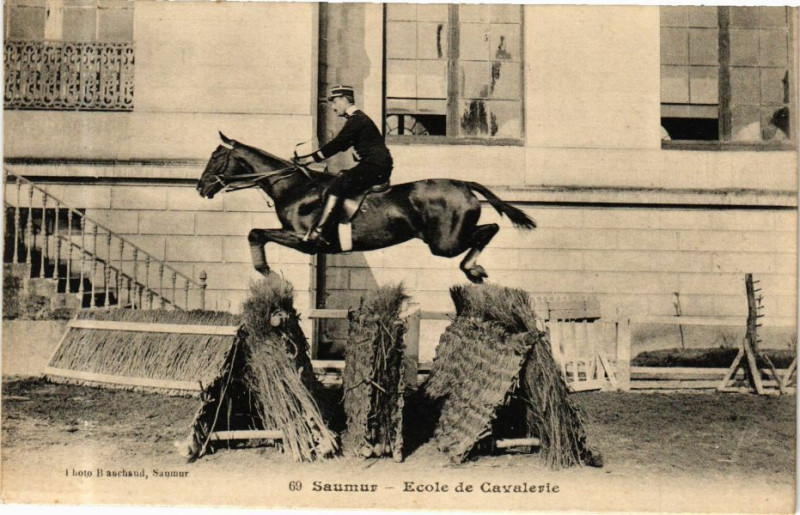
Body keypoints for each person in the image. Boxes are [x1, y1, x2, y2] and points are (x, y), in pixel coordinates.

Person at [296, 85, 393, 243]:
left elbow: (338, 143)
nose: (333, 108)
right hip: (374, 164)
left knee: (337, 186)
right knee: (341, 178)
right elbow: (343, 144)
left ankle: (320, 232)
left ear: (344, 100)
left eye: (334, 102)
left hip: (375, 166)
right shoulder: (357, 119)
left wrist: (310, 159)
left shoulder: (357, 120)